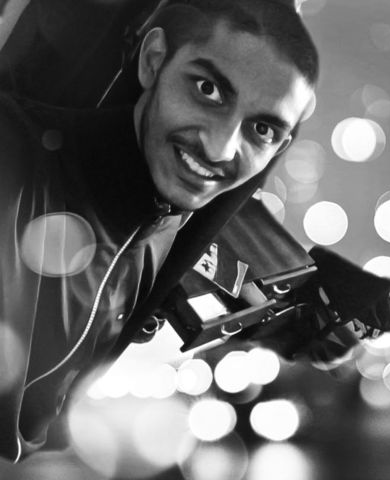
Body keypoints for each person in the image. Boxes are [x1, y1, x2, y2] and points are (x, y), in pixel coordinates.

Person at [0, 0, 318, 462]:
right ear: (152, 60)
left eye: (264, 130)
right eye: (208, 89)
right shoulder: (16, 160)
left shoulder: (166, 237)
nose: (219, 147)